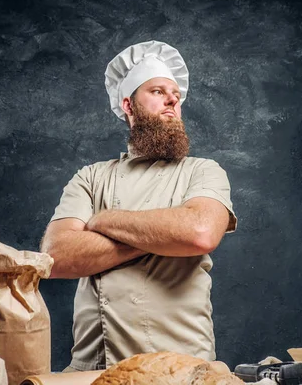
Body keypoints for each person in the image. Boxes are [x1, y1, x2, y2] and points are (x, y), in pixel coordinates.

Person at [40, 40, 237, 372]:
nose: (173, 99)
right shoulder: (91, 177)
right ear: (129, 104)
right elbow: (56, 257)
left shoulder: (203, 170)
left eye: (175, 95)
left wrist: (103, 219)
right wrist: (162, 237)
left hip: (180, 368)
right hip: (92, 368)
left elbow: (200, 233)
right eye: (158, 91)